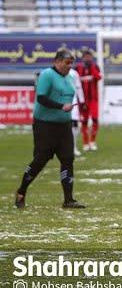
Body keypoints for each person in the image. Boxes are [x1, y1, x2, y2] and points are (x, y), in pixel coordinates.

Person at [14, 48, 86, 209]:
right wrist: (61, 106)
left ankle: (68, 200)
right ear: (57, 61)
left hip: (64, 126)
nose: (69, 66)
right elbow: (41, 98)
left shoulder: (69, 77)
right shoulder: (47, 75)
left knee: (68, 159)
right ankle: (21, 191)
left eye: (71, 63)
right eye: (67, 63)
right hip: (45, 125)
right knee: (40, 160)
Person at [76, 49, 102, 151]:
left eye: (89, 57)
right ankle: (85, 142)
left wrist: (91, 68)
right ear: (82, 58)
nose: (87, 59)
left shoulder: (95, 67)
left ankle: (92, 141)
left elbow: (98, 77)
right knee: (84, 121)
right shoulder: (78, 68)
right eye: (86, 57)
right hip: (82, 100)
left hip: (93, 99)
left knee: (95, 119)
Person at [68, 67, 86, 157]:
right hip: (59, 102)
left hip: (73, 101)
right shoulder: (55, 73)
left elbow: (78, 87)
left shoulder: (74, 73)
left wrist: (82, 101)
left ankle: (73, 147)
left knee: (75, 124)